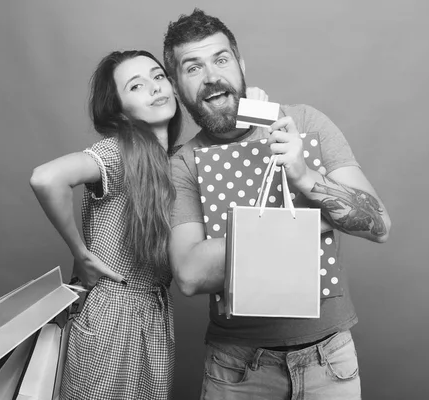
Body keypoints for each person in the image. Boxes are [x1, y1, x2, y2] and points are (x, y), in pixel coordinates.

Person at [163, 9, 392, 400]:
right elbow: (189, 274)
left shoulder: (305, 123)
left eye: (221, 59)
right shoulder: (183, 162)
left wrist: (304, 176)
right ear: (176, 85)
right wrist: (308, 224)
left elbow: (379, 224)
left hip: (330, 360)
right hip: (236, 369)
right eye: (192, 67)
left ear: (240, 65)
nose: (211, 76)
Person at [29, 50, 181, 400]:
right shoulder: (119, 151)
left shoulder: (176, 160)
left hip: (154, 315)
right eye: (137, 86)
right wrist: (79, 253)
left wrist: (252, 109)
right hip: (112, 312)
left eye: (159, 77)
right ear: (119, 108)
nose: (155, 88)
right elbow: (46, 178)